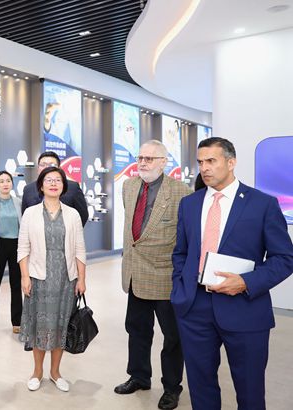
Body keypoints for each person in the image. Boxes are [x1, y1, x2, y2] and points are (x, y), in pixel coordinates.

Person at [172, 137, 293, 410]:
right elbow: (181, 252)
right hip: (194, 307)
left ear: (231, 162)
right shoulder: (189, 204)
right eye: (200, 162)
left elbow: (285, 258)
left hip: (244, 308)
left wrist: (246, 282)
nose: (204, 168)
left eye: (211, 161)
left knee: (250, 391)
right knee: (200, 387)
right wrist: (180, 288)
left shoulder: (262, 204)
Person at [115, 140, 191, 410]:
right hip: (135, 274)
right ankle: (138, 376)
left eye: (149, 158)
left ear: (163, 162)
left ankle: (171, 387)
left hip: (165, 277)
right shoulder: (128, 186)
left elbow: (187, 237)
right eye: (140, 158)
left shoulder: (181, 192)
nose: (143, 163)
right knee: (136, 330)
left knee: (172, 337)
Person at [18, 166, 86, 393]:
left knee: (60, 326)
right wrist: (25, 277)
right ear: (41, 185)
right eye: (49, 180)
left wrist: (81, 279)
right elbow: (23, 247)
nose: (54, 183)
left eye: (58, 180)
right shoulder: (30, 213)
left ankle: (55, 373)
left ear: (63, 186)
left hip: (66, 279)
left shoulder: (72, 214)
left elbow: (80, 249)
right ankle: (37, 372)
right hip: (39, 278)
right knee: (40, 327)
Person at [0, 171, 22, 334]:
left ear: (12, 184)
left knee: (16, 284)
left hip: (17, 245)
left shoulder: (19, 202)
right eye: (1, 181)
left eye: (8, 180)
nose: (5, 184)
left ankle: (17, 321)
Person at [21, 151, 88, 226]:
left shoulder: (73, 188)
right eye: (43, 165)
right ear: (38, 168)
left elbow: (82, 215)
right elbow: (25, 217)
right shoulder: (28, 189)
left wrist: (70, 230)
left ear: (59, 168)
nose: (47, 168)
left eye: (52, 165)